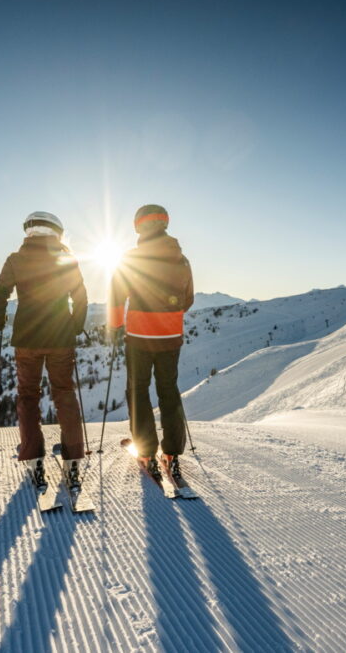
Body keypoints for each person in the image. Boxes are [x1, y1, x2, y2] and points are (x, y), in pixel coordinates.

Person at [0, 211, 87, 492]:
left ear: (29, 231)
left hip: (27, 338)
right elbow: (80, 296)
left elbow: (0, 292)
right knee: (64, 393)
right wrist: (77, 325)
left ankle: (34, 457)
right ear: (56, 232)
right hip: (60, 337)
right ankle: (73, 461)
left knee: (28, 396)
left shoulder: (16, 259)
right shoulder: (66, 259)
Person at [108, 204, 194, 484]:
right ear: (165, 224)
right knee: (168, 389)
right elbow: (188, 299)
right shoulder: (181, 259)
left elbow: (116, 296)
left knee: (138, 390)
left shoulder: (131, 258)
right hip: (170, 335)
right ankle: (172, 453)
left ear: (138, 227)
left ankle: (146, 452)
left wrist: (116, 326)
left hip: (140, 336)